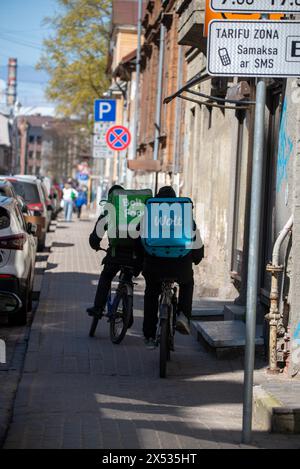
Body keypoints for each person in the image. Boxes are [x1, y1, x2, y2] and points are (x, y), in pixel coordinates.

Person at [141, 186, 204, 350]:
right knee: (187, 284)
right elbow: (196, 241)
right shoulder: (184, 215)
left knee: (151, 294)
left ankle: (148, 334)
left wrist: (141, 259)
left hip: (154, 265)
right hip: (180, 265)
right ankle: (183, 315)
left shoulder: (150, 215)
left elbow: (139, 240)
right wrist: (196, 259)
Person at [86, 185, 143, 321]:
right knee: (127, 280)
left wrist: (95, 245)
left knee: (106, 276)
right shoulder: (136, 211)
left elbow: (96, 235)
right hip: (135, 257)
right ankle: (128, 315)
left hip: (115, 255)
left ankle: (98, 308)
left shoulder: (110, 211)